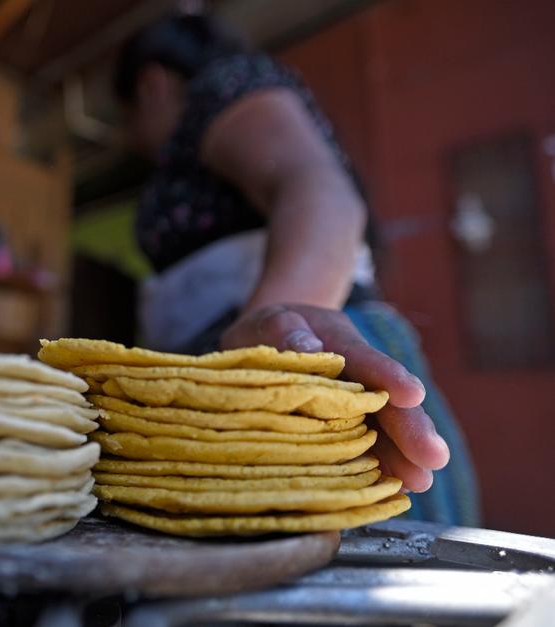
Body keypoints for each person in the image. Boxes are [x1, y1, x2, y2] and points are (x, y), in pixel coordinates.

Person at [115, 14, 479, 525]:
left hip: (312, 355)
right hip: (247, 375)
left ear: (150, 85)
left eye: (126, 119)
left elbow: (322, 196)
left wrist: (258, 362)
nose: (132, 141)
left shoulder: (224, 88)